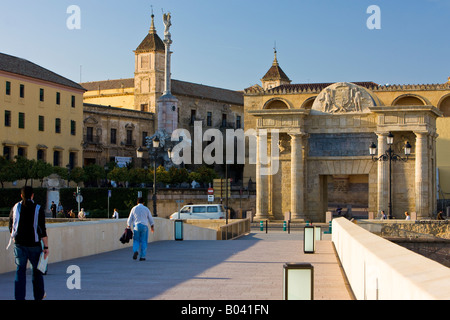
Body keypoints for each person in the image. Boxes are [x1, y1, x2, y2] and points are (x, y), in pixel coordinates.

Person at [8, 186, 49, 300]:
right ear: (32, 195)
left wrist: (14, 238)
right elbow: (42, 230)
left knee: (20, 271)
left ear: (21, 195)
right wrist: (45, 246)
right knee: (36, 272)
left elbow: (10, 225)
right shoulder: (38, 209)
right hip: (34, 245)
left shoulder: (15, 207)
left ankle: (19, 298)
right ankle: (39, 296)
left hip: (19, 245)